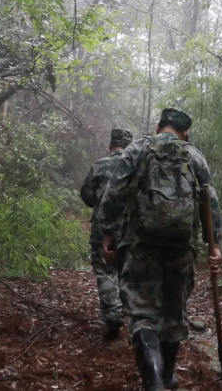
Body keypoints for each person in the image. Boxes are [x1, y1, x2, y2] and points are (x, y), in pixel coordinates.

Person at [96, 108, 222, 391]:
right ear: (185, 131)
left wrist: (107, 232)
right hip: (181, 250)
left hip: (140, 247)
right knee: (173, 313)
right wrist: (215, 245)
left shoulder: (138, 148)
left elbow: (114, 191)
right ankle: (167, 376)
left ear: (158, 127)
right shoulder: (195, 156)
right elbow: (209, 202)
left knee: (142, 314)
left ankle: (153, 382)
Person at [80, 128, 134, 341]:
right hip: (131, 229)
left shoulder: (99, 165)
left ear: (110, 145)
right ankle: (131, 318)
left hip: (103, 229)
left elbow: (87, 196)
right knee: (128, 272)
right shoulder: (136, 167)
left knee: (105, 271)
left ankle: (112, 314)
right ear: (130, 146)